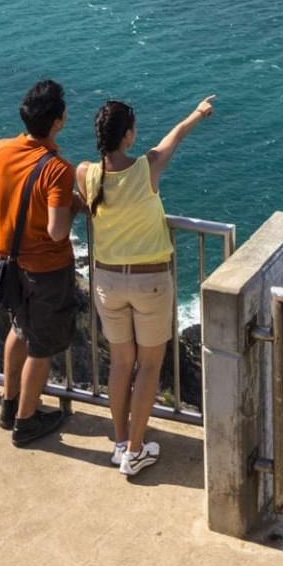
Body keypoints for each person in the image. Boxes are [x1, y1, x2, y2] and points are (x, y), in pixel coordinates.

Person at [78, 94, 216, 478]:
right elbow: (176, 136)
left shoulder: (85, 173)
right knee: (149, 365)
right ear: (128, 136)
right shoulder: (146, 167)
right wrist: (198, 113)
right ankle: (136, 451)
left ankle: (121, 442)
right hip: (150, 282)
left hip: (106, 280)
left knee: (121, 363)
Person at [0, 79, 81, 447]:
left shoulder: (1, 150)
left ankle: (9, 404)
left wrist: (7, 197)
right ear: (58, 121)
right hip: (46, 271)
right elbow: (58, 230)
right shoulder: (57, 169)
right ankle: (26, 421)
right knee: (42, 347)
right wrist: (78, 204)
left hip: (8, 263)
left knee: (18, 330)